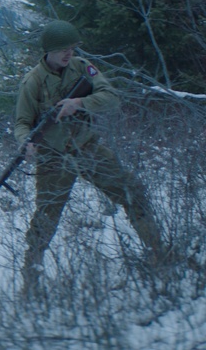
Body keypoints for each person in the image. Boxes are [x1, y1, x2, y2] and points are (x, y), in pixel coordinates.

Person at [15, 20, 165, 296]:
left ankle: (158, 253)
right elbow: (22, 122)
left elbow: (111, 97)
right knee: (46, 217)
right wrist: (26, 142)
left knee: (132, 191)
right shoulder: (32, 81)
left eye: (71, 47)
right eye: (63, 49)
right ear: (49, 50)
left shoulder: (83, 67)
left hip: (87, 148)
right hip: (53, 157)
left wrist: (80, 103)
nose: (68, 53)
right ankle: (31, 275)